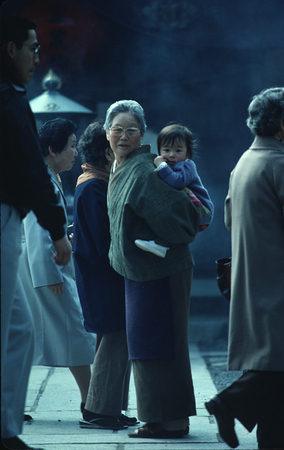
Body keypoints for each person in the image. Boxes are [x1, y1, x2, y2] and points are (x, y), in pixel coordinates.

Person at [105, 100, 211, 439]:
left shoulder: (143, 169)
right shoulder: (120, 166)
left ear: (141, 135)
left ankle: (170, 421)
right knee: (147, 344)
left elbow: (180, 218)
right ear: (107, 133)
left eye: (131, 130)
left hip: (161, 268)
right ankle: (162, 418)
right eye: (118, 129)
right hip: (142, 269)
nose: (124, 135)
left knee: (160, 344)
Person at [205, 87, 284, 450]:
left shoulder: (244, 162)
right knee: (277, 360)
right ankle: (227, 403)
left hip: (251, 274)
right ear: (281, 123)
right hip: (281, 280)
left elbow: (230, 219)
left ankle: (279, 437)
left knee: (278, 360)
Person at [1, 14, 71, 450]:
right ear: (11, 49)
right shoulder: (8, 101)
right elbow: (31, 168)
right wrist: (57, 229)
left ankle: (7, 428)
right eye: (32, 47)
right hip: (4, 214)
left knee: (20, 329)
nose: (36, 57)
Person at [18, 118, 95, 415]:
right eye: (72, 146)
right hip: (44, 270)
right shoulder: (41, 179)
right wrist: (50, 276)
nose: (76, 152)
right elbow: (37, 234)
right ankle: (92, 403)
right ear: (53, 149)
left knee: (30, 338)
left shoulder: (48, 176)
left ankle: (10, 404)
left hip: (39, 269)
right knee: (75, 331)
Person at [72, 121, 138, 430]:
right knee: (114, 342)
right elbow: (103, 239)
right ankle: (99, 409)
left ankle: (107, 408)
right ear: (103, 152)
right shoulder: (94, 185)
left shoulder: (93, 181)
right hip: (102, 277)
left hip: (100, 276)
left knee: (112, 342)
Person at [134, 123, 214, 257]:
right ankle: (162, 243)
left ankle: (161, 244)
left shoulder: (187, 165)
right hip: (189, 210)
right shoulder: (170, 166)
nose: (171, 155)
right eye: (166, 150)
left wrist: (161, 166)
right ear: (159, 151)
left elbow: (177, 182)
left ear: (187, 153)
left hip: (202, 210)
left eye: (178, 151)